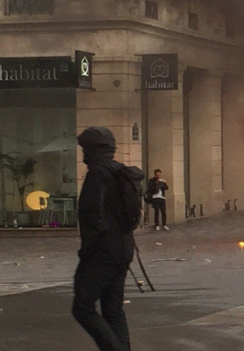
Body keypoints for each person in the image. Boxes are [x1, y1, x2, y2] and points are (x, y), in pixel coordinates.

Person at [72, 127, 134, 351]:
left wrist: (86, 252)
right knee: (113, 310)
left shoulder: (97, 174)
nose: (83, 154)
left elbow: (91, 216)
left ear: (92, 150)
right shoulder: (120, 172)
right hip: (124, 247)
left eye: (85, 149)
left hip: (103, 251)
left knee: (82, 307)